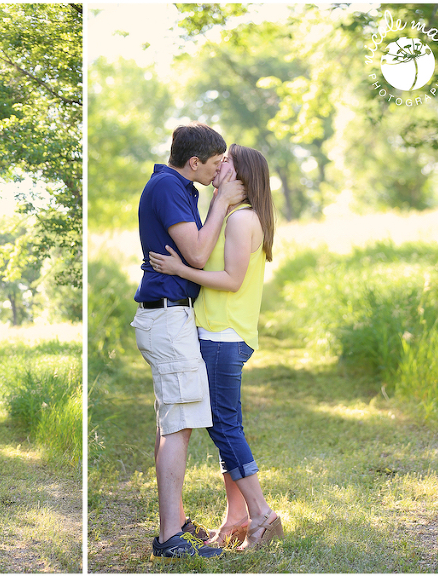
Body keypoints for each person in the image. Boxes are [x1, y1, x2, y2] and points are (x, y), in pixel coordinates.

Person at [149, 143, 282, 551]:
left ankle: (262, 515)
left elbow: (231, 280)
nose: (219, 166)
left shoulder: (242, 221)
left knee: (224, 426)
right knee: (224, 425)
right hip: (220, 334)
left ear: (241, 177)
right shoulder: (234, 216)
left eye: (226, 163)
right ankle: (239, 516)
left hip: (224, 336)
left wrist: (180, 268)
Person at [131, 122, 246, 561]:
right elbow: (197, 254)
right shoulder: (167, 187)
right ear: (193, 162)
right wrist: (221, 203)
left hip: (172, 316)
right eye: (216, 165)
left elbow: (194, 255)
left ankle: (175, 524)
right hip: (166, 316)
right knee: (178, 427)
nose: (220, 173)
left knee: (175, 423)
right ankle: (169, 539)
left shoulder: (178, 187)